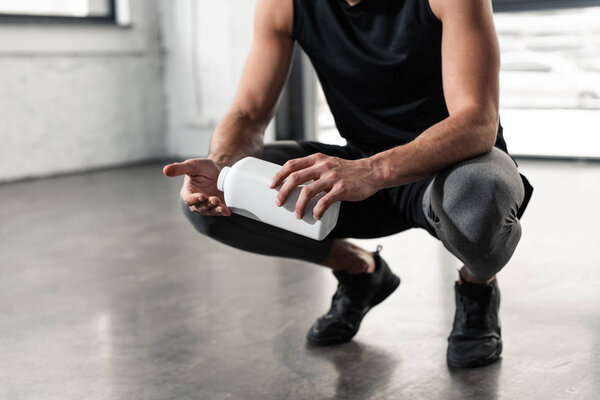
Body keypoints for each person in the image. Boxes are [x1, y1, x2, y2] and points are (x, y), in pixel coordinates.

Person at [163, 0, 533, 368]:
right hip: (359, 164)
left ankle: (476, 287)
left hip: (452, 167)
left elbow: (476, 122)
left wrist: (373, 171)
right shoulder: (284, 5)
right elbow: (248, 113)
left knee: (480, 197)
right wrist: (222, 168)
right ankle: (362, 273)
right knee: (218, 203)